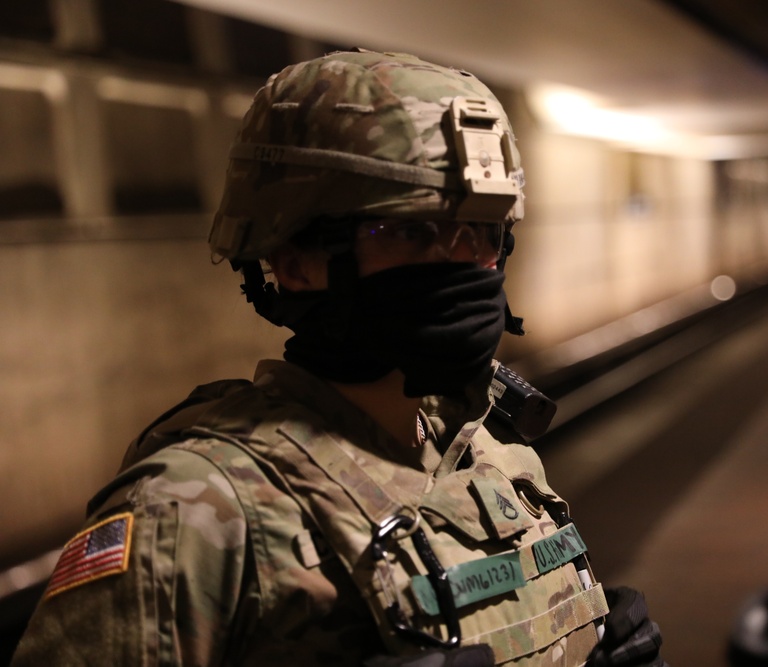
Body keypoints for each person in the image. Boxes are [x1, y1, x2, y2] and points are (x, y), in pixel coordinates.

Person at [12, 49, 666, 666]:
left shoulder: (494, 449)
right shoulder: (195, 509)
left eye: (485, 232)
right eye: (412, 230)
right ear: (296, 262)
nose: (465, 261)